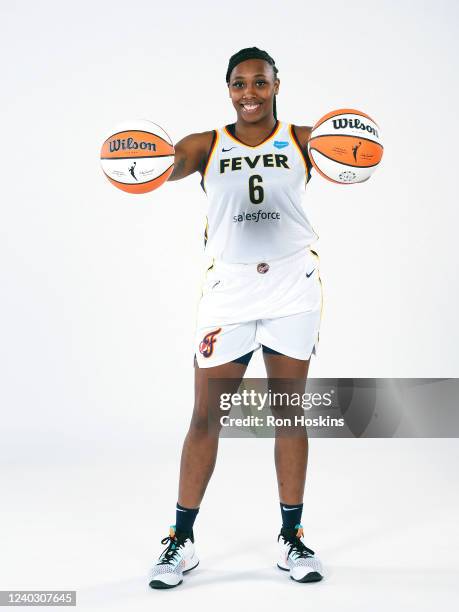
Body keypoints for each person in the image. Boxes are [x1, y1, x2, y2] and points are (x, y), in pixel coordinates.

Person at [149, 47, 324, 589]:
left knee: (289, 414)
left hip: (293, 287)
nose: (249, 93)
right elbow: (165, 166)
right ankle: (181, 540)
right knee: (206, 417)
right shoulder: (207, 144)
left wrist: (357, 157)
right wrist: (141, 165)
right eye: (239, 84)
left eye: (260, 82)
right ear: (228, 89)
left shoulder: (303, 140)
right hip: (230, 292)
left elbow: (353, 154)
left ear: (277, 85)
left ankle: (291, 539)